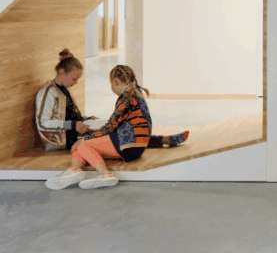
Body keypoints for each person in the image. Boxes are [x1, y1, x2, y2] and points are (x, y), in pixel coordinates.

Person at [46, 64, 181, 190]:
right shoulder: (136, 93)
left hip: (128, 146)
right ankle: (74, 170)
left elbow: (110, 126)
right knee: (79, 146)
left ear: (115, 82)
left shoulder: (127, 98)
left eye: (111, 84)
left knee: (83, 145)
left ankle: (104, 174)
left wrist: (86, 138)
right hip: (134, 145)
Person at [35, 49, 97, 152]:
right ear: (62, 72)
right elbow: (42, 123)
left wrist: (86, 119)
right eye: (74, 79)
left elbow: (67, 115)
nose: (76, 83)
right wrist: (72, 125)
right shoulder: (48, 92)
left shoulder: (65, 88)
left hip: (73, 134)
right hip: (61, 142)